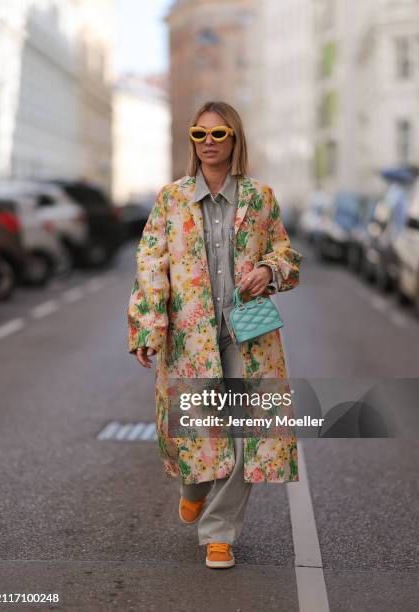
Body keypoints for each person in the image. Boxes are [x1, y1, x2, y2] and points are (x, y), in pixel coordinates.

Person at [127, 100, 304, 569]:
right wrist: (148, 326)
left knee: (245, 432)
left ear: (234, 139)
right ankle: (194, 485)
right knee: (196, 429)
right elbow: (150, 264)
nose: (208, 143)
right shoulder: (171, 199)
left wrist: (270, 269)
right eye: (199, 134)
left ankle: (219, 533)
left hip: (249, 330)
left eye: (218, 134)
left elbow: (286, 254)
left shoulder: (260, 198)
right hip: (191, 334)